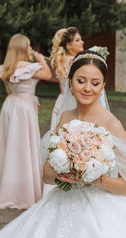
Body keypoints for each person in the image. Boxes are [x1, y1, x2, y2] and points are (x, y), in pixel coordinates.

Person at [0, 50, 126, 238]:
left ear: (102, 86)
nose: (87, 88)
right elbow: (46, 176)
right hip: (61, 202)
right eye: (80, 81)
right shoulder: (65, 117)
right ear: (70, 82)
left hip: (100, 209)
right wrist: (67, 173)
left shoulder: (112, 124)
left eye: (95, 83)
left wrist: (92, 177)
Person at [0, 34, 52, 209]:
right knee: (24, 147)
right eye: (29, 46)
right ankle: (24, 191)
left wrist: (31, 97)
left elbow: (10, 91)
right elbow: (47, 75)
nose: (31, 49)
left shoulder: (6, 67)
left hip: (11, 106)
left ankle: (9, 188)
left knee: (11, 147)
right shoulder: (28, 66)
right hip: (23, 110)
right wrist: (42, 60)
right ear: (23, 48)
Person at [43, 27, 84, 196]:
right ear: (68, 45)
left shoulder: (61, 60)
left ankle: (55, 182)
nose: (82, 42)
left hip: (60, 103)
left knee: (59, 145)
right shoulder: (77, 61)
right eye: (77, 40)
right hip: (73, 104)